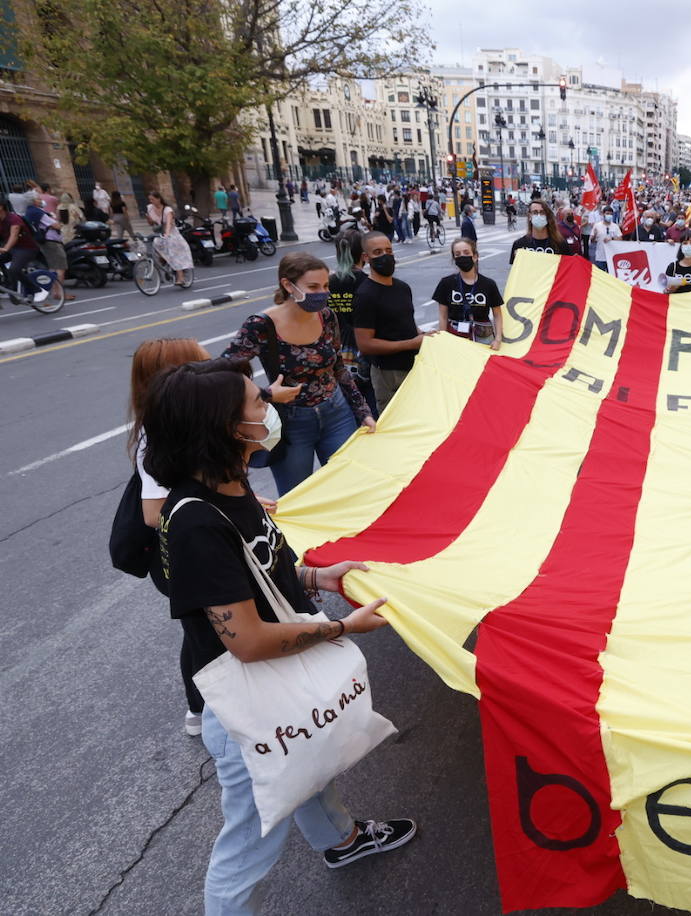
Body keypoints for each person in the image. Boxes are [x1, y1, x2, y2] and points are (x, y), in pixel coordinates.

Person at [142, 358, 417, 913]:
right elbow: (244, 639)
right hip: (246, 706)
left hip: (275, 690)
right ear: (226, 426)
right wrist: (341, 627)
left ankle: (342, 840)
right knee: (250, 837)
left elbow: (262, 570)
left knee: (306, 765)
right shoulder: (197, 519)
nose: (271, 405)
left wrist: (316, 577)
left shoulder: (232, 483)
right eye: (257, 401)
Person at [127, 337, 221, 736]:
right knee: (205, 635)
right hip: (185, 557)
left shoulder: (185, 424)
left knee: (202, 631)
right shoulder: (157, 436)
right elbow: (153, 513)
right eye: (200, 365)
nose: (210, 369)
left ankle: (201, 709)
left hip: (198, 549)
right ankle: (204, 713)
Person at [223, 252, 375, 495]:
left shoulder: (326, 316)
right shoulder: (261, 325)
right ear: (288, 285)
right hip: (291, 423)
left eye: (326, 286)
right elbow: (222, 374)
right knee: (297, 495)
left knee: (347, 487)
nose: (322, 293)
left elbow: (337, 367)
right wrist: (266, 394)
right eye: (313, 286)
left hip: (337, 413)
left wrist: (362, 411)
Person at [353, 231, 431, 412]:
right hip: (388, 374)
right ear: (366, 257)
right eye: (378, 252)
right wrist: (411, 344)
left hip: (414, 366)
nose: (385, 256)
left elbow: (405, 322)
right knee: (396, 421)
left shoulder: (403, 288)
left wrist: (422, 335)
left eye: (388, 250)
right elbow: (365, 344)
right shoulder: (365, 295)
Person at [327, 231, 377, 418]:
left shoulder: (326, 284)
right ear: (363, 253)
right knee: (371, 407)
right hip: (366, 351)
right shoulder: (368, 283)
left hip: (337, 353)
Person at [434, 237, 504, 347]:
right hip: (454, 337)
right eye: (457, 254)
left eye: (466, 253)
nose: (462, 256)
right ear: (454, 259)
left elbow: (497, 315)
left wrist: (498, 338)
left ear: (475, 256)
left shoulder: (489, 284)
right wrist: (443, 340)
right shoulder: (446, 283)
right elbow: (443, 316)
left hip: (483, 338)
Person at [0, 197, 52, 302]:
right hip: (12, 249)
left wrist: (6, 248)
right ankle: (8, 283)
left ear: (1, 207)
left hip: (26, 249)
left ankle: (36, 289)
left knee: (14, 269)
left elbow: (14, 236)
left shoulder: (14, 219)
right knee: (9, 269)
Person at [26, 195, 74, 300]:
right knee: (60, 268)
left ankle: (55, 291)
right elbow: (55, 225)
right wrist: (56, 222)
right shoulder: (38, 213)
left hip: (43, 242)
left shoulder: (29, 212)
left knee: (53, 267)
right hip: (51, 241)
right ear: (33, 201)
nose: (41, 200)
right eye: (38, 199)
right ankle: (60, 293)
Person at [145, 191, 194, 288]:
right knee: (154, 244)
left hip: (172, 234)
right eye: (150, 199)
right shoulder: (150, 208)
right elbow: (151, 224)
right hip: (160, 234)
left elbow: (168, 223)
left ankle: (180, 277)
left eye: (153, 199)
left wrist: (167, 234)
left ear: (159, 199)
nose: (151, 201)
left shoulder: (168, 210)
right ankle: (165, 259)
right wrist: (149, 220)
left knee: (173, 252)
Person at [509, 199, 570, 263]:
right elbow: (516, 271)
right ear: (530, 216)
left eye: (542, 212)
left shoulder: (560, 244)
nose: (539, 215)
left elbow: (568, 267)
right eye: (535, 212)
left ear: (547, 216)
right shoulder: (519, 245)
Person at [590, 206, 621, 272]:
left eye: (610, 214)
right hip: (600, 257)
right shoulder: (597, 226)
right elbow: (592, 241)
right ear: (603, 214)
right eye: (607, 213)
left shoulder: (615, 226)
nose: (609, 215)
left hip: (612, 256)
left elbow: (620, 239)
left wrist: (612, 238)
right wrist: (594, 235)